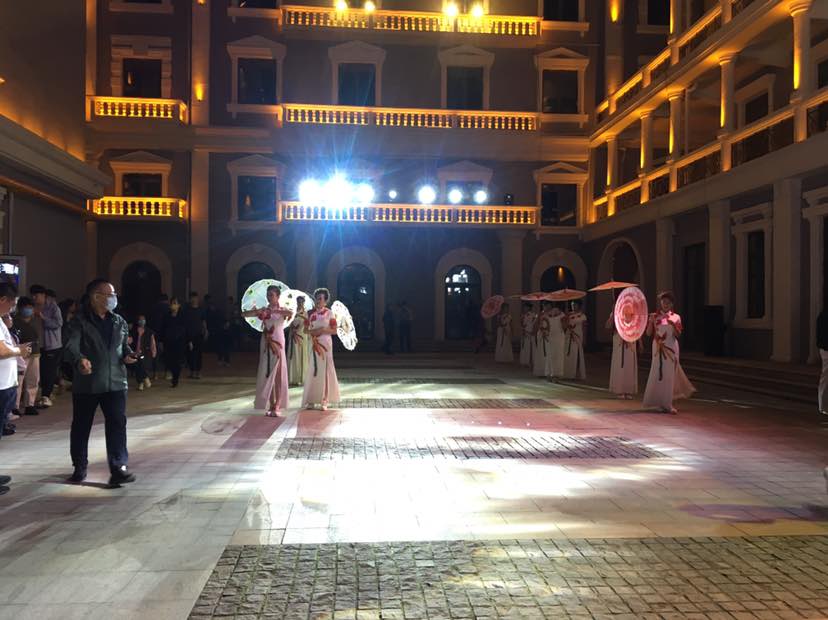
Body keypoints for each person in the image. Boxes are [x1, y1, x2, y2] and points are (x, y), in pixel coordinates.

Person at [63, 279, 138, 486]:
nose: (114, 298)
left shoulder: (119, 321)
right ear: (96, 297)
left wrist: (129, 356)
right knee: (81, 425)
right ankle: (80, 466)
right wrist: (79, 360)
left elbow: (123, 348)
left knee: (117, 424)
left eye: (114, 294)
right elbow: (71, 346)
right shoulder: (79, 322)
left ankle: (119, 467)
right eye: (110, 294)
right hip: (88, 384)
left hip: (116, 383)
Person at [0, 283, 33, 494]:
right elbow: (1, 351)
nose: (12, 308)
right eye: (12, 303)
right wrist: (18, 350)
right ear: (3, 300)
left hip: (5, 384)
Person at [642, 291, 696, 413]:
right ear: (661, 303)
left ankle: (668, 403)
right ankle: (657, 402)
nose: (665, 304)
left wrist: (673, 325)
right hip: (658, 348)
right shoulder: (655, 316)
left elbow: (678, 335)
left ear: (672, 304)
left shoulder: (676, 317)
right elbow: (649, 333)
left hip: (671, 347)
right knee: (657, 373)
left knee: (669, 375)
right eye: (663, 302)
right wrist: (650, 321)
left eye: (668, 302)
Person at [243, 286, 292, 417]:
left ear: (278, 296)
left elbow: (290, 313)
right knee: (267, 372)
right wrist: (257, 311)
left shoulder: (282, 309)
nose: (269, 297)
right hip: (266, 341)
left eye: (272, 295)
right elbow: (244, 314)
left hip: (278, 340)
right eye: (268, 294)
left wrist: (276, 311)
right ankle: (271, 404)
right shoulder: (264, 310)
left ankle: (278, 405)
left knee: (278, 373)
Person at [303, 288, 340, 411]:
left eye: (320, 298)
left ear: (325, 300)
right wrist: (313, 332)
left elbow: (334, 330)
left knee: (325, 370)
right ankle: (311, 399)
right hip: (314, 342)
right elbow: (305, 330)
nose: (318, 301)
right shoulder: (310, 313)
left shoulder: (329, 313)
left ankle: (325, 399)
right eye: (316, 298)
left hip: (326, 343)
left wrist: (323, 330)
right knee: (314, 369)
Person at [30, 284, 62, 408]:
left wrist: (43, 317)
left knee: (49, 371)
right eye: (32, 295)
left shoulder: (53, 307)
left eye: (36, 295)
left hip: (51, 345)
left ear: (43, 295)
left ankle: (46, 396)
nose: (34, 298)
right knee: (39, 371)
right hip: (37, 344)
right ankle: (41, 394)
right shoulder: (32, 307)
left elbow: (58, 323)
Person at [12, 297, 41, 416]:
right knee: (18, 380)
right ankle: (14, 406)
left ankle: (30, 404)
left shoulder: (35, 320)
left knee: (33, 379)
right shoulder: (14, 321)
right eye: (26, 307)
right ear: (20, 308)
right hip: (21, 354)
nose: (29, 310)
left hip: (35, 352)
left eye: (30, 307)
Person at [607, 311, 638, 399]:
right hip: (619, 340)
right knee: (620, 364)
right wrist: (612, 316)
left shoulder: (634, 313)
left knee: (629, 364)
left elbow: (637, 328)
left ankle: (628, 390)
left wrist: (640, 342)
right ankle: (619, 389)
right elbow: (608, 326)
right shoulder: (616, 312)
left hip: (630, 339)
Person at [161, 297, 188, 388]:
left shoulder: (182, 316)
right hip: (168, 342)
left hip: (179, 342)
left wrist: (187, 340)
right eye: (172, 303)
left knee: (177, 361)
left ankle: (175, 378)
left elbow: (185, 329)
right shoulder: (166, 316)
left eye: (175, 303)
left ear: (179, 305)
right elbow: (163, 328)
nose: (173, 305)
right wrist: (162, 340)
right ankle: (172, 373)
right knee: (169, 360)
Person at [129, 314, 157, 391]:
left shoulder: (149, 331)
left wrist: (154, 351)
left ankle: (142, 381)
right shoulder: (134, 331)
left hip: (145, 352)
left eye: (143, 320)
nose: (141, 321)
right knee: (137, 367)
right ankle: (143, 380)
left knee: (141, 365)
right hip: (135, 352)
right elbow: (130, 341)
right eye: (140, 320)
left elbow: (152, 342)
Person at [183, 292, 206, 379]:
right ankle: (192, 371)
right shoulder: (187, 310)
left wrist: (205, 330)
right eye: (192, 298)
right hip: (189, 335)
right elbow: (184, 323)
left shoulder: (201, 310)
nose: (194, 300)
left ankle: (198, 371)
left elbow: (203, 321)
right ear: (190, 299)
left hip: (199, 334)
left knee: (199, 353)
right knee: (190, 354)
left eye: (195, 298)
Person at [288, 296, 309, 386]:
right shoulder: (292, 311)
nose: (300, 303)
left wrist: (300, 315)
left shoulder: (306, 313)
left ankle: (301, 377)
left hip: (302, 335)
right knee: (293, 354)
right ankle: (293, 377)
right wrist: (292, 327)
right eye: (298, 301)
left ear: (304, 303)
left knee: (301, 355)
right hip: (293, 335)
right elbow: (288, 322)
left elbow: (308, 322)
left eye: (301, 302)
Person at [563, 301, 587, 380]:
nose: (573, 306)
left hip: (578, 336)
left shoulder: (582, 315)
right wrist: (566, 317)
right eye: (572, 305)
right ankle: (567, 373)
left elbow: (584, 327)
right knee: (568, 354)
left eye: (575, 305)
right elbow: (564, 326)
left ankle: (575, 373)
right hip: (569, 336)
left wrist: (584, 339)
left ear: (579, 305)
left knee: (577, 354)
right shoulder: (568, 315)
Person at [546, 304, 566, 381]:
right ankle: (550, 373)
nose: (555, 310)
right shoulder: (548, 314)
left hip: (559, 337)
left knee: (557, 355)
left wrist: (564, 319)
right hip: (552, 336)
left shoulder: (562, 315)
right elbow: (548, 325)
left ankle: (556, 374)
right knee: (551, 355)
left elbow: (564, 327)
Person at [533, 303, 550, 377]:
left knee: (548, 351)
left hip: (548, 333)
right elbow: (535, 324)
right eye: (545, 305)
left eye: (548, 305)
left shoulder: (551, 314)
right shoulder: (540, 314)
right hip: (541, 333)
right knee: (541, 351)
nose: (547, 307)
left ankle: (547, 371)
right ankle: (540, 370)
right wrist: (540, 328)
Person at [817, 308, 827, 415]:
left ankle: (823, 406)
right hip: (826, 349)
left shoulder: (822, 315)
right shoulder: (824, 316)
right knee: (825, 376)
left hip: (824, 348)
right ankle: (823, 406)